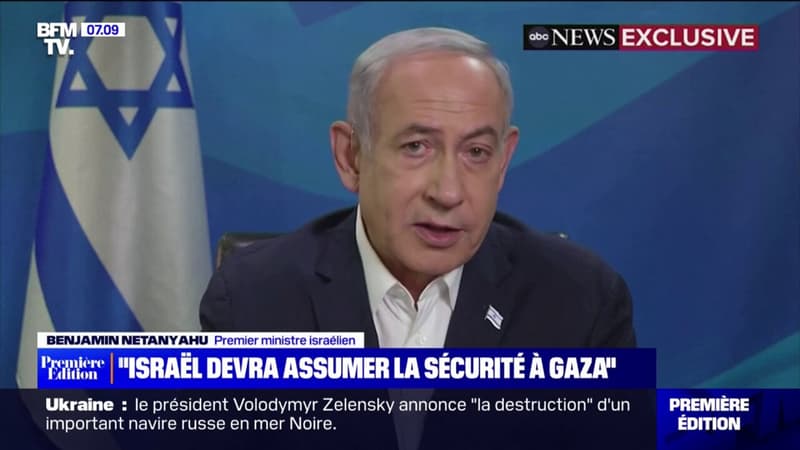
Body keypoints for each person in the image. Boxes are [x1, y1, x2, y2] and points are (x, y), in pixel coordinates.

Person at [199, 27, 637, 349]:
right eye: (416, 147)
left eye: (477, 152)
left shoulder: (581, 301)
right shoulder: (253, 300)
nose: (447, 193)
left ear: (503, 161)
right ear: (351, 156)